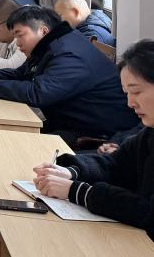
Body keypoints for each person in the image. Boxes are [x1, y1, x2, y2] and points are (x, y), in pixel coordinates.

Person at [0, 5, 133, 144]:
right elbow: (22, 73)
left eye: (20, 35)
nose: (18, 43)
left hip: (96, 132)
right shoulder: (53, 43)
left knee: (8, 141)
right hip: (68, 119)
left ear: (43, 30)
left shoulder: (68, 53)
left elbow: (39, 93)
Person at [32, 40, 154, 233]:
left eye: (136, 92)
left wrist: (76, 190)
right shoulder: (149, 132)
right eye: (127, 93)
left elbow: (148, 212)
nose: (130, 103)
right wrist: (72, 172)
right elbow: (115, 164)